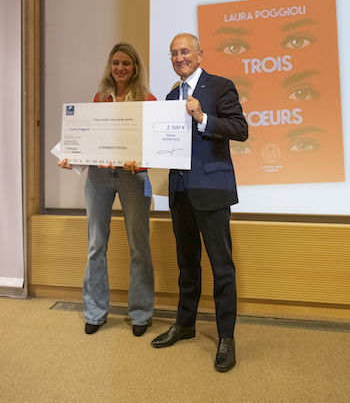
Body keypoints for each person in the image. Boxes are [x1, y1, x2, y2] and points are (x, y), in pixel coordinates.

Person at [151, 33, 248, 372]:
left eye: (185, 52)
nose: (179, 57)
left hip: (213, 190)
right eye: (174, 53)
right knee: (187, 265)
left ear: (199, 54)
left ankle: (226, 337)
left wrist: (203, 118)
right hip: (179, 191)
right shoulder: (168, 96)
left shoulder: (220, 86)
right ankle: (186, 323)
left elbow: (240, 128)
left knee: (222, 267)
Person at [58, 42, 155, 336]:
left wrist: (141, 159)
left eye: (126, 63)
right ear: (110, 67)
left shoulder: (147, 100)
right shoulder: (100, 99)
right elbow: (89, 140)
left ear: (135, 67)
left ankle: (140, 314)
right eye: (115, 62)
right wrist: (71, 158)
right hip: (99, 177)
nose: (120, 68)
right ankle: (96, 311)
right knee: (96, 245)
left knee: (139, 246)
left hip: (133, 177)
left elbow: (154, 144)